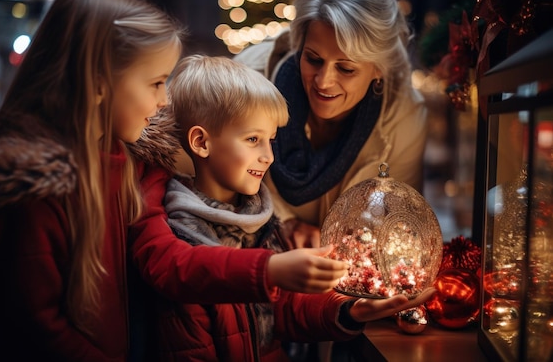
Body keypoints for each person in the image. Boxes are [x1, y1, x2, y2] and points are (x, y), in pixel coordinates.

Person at [0, 0, 354, 360]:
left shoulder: (136, 166)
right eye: (155, 83)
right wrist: (269, 271)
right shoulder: (27, 196)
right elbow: (38, 331)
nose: (165, 100)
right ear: (98, 83)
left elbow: (170, 260)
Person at [148, 54, 435, 361]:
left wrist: (349, 310)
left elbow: (282, 311)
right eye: (253, 139)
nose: (268, 156)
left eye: (270, 140)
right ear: (201, 143)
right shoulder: (182, 239)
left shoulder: (257, 221)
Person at [232, 0, 428, 250]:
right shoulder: (246, 79)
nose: (324, 81)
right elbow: (202, 178)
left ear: (379, 68)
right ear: (299, 45)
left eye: (346, 68)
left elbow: (399, 227)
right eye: (313, 59)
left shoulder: (405, 117)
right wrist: (281, 221)